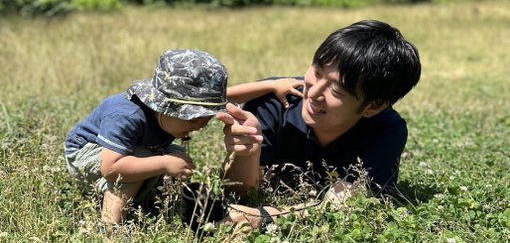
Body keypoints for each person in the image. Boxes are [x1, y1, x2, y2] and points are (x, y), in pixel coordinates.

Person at [217, 20, 422, 228]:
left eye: (336, 91)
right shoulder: (272, 103)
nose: (313, 93)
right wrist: (246, 154)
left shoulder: (386, 130)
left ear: (374, 106)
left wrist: (266, 217)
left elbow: (341, 207)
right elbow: (239, 194)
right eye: (316, 72)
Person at [64, 49, 230, 224]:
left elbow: (234, 94)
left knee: (175, 154)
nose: (200, 126)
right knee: (142, 159)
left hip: (131, 151)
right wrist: (164, 163)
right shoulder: (127, 116)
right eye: (193, 118)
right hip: (87, 154)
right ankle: (110, 226)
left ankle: (151, 204)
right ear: (165, 107)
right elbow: (111, 168)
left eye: (207, 118)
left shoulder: (164, 118)